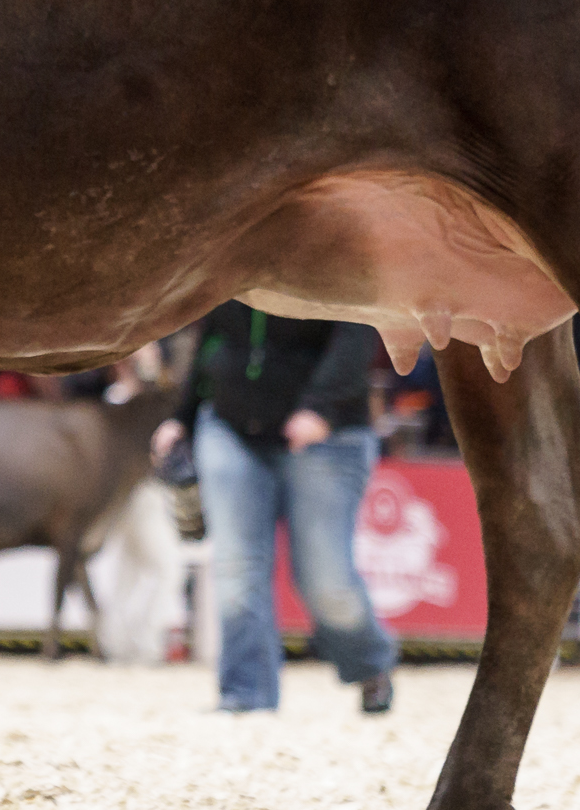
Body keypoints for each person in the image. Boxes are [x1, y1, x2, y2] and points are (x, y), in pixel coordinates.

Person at [152, 302, 398, 715]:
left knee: (326, 579)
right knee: (237, 568)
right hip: (230, 426)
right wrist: (182, 417)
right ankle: (245, 695)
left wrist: (321, 407)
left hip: (327, 435)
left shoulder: (329, 264)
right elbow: (213, 338)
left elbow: (356, 333)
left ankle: (369, 664)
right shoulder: (231, 268)